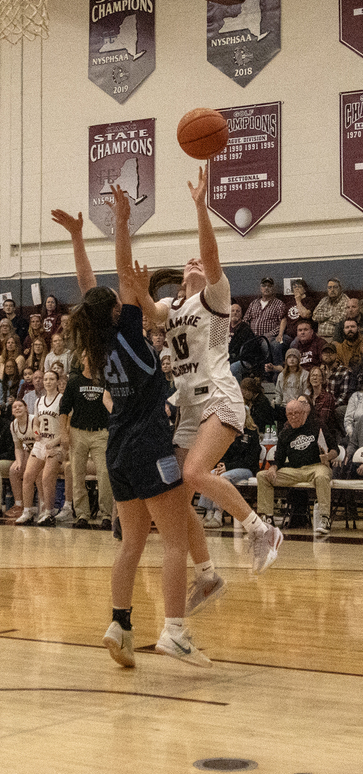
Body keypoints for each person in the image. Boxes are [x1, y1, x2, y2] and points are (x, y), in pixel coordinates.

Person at [54, 188, 209, 668]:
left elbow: (90, 289)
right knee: (176, 539)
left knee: (132, 544)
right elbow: (121, 276)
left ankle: (119, 622)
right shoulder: (128, 333)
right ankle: (176, 631)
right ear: (119, 312)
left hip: (118, 446)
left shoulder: (97, 340)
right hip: (147, 442)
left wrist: (79, 238)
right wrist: (121, 222)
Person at [138, 167, 284, 595]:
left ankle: (261, 529)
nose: (196, 261)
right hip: (186, 406)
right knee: (177, 500)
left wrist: (201, 207)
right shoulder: (172, 306)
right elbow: (147, 308)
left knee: (197, 472)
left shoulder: (214, 297)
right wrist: (132, 281)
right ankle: (206, 575)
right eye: (190, 262)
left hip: (219, 395)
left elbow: (211, 253)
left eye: (201, 260)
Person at [256, 397, 337, 536]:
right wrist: (273, 468)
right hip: (293, 471)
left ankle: (325, 518)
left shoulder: (317, 425)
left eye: (296, 413)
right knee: (262, 476)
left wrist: (328, 456)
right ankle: (267, 518)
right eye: (289, 414)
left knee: (322, 476)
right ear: (286, 416)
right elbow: (279, 459)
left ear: (303, 412)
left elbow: (336, 449)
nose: (293, 417)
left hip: (315, 467)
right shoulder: (285, 433)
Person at [60, 351, 114, 530]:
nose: (90, 359)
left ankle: (106, 514)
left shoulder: (105, 381)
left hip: (101, 432)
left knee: (104, 473)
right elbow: (64, 409)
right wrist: (64, 434)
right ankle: (82, 514)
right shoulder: (74, 381)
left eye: (93, 356)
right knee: (77, 474)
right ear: (82, 360)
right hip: (78, 432)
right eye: (86, 356)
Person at [19, 368, 68, 526]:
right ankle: (27, 511)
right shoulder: (39, 401)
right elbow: (35, 422)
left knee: (47, 478)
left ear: (57, 382)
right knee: (28, 476)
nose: (47, 382)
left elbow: (67, 428)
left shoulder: (62, 400)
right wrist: (35, 432)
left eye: (51, 379)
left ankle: (49, 512)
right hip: (41, 444)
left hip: (56, 444)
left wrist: (53, 443)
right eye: (45, 379)